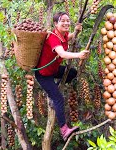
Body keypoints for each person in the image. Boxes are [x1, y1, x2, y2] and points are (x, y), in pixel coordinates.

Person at [35, 12, 89, 141]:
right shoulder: (53, 37)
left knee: (72, 73)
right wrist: (78, 55)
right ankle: (64, 129)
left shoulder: (62, 35)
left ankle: (55, 88)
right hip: (44, 75)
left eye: (67, 20)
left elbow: (68, 38)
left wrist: (76, 32)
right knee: (58, 99)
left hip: (53, 70)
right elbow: (62, 53)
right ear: (55, 24)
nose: (66, 23)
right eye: (62, 21)